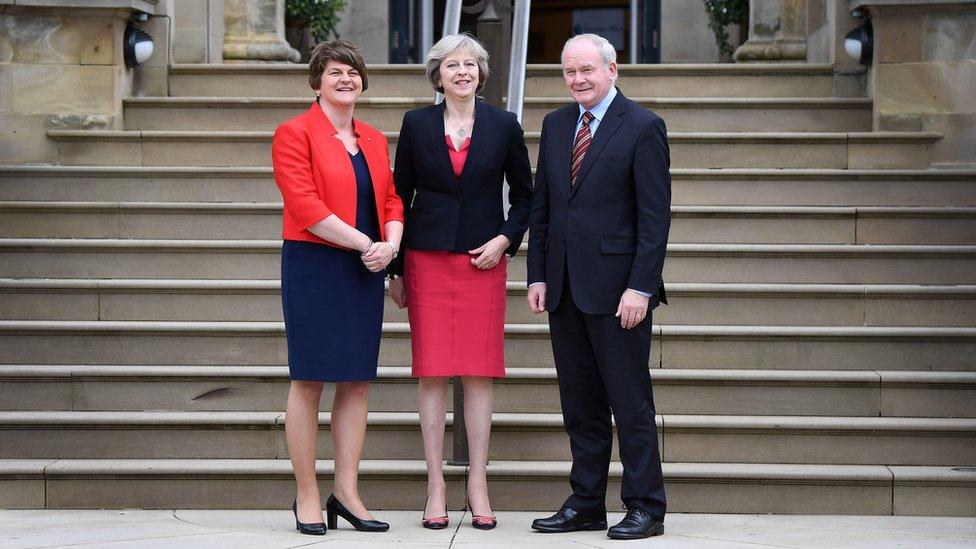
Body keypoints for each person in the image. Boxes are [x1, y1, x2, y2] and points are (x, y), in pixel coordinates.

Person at [526, 33, 671, 540]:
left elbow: (654, 218)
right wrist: (538, 273)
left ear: (613, 70)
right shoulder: (556, 123)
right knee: (579, 403)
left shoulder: (644, 126)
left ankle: (645, 505)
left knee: (629, 402)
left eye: (587, 69)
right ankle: (587, 501)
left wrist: (641, 287)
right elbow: (544, 205)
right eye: (569, 71)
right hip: (564, 287)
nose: (578, 79)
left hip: (619, 294)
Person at [387, 33, 533, 531]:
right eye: (453, 65)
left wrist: (505, 240)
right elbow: (396, 197)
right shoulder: (415, 124)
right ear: (438, 75)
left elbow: (528, 198)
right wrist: (396, 268)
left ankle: (477, 483)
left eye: (470, 64)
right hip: (426, 259)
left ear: (482, 73)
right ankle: (434, 486)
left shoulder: (505, 125)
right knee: (431, 372)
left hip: (483, 262)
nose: (462, 72)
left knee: (477, 372)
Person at [271, 39, 404, 536]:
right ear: (317, 81)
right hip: (315, 265)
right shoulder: (294, 132)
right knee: (308, 380)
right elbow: (304, 206)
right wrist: (366, 244)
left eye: (353, 72)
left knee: (355, 381)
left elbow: (391, 198)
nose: (345, 80)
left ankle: (346, 493)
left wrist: (389, 245)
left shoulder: (372, 138)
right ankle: (307, 493)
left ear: (363, 81)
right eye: (335, 73)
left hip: (364, 267)